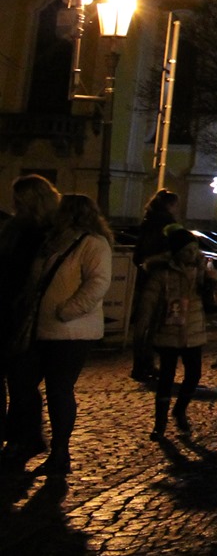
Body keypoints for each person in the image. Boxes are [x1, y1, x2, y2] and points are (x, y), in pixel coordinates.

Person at [28, 194, 114, 476]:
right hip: (44, 328)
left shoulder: (93, 244)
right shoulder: (54, 243)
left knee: (59, 390)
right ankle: (33, 441)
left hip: (71, 331)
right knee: (30, 384)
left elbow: (97, 284)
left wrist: (67, 310)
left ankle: (59, 451)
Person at [133, 227, 217, 439]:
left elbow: (215, 300)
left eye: (194, 250)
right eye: (187, 250)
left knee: (194, 375)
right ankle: (159, 424)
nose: (193, 254)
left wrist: (213, 280)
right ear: (176, 252)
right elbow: (148, 302)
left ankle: (180, 410)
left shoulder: (202, 269)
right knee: (166, 377)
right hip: (167, 331)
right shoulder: (163, 273)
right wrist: (141, 331)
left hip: (193, 331)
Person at [0, 176, 61, 465]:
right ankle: (20, 436)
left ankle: (23, 437)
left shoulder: (42, 234)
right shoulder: (17, 229)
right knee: (18, 381)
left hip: (24, 314)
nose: (16, 205)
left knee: (21, 381)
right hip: (11, 311)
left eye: (21, 199)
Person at [128, 188, 180, 384]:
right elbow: (174, 251)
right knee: (153, 323)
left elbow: (137, 255)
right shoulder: (169, 224)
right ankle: (146, 363)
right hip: (159, 277)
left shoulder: (147, 221)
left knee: (142, 323)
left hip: (143, 276)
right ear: (170, 205)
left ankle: (138, 365)